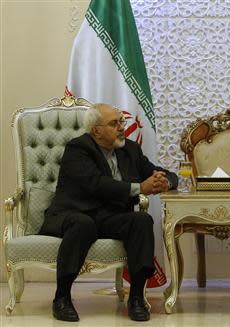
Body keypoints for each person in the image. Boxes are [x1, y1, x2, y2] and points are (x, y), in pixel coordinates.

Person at [39, 103, 178, 322]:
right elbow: (96, 184)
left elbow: (162, 173)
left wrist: (164, 181)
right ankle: (62, 298)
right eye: (114, 123)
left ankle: (136, 298)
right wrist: (140, 188)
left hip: (109, 217)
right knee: (83, 224)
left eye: (122, 121)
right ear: (96, 130)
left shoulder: (130, 149)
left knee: (141, 220)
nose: (122, 127)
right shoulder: (78, 148)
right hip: (74, 213)